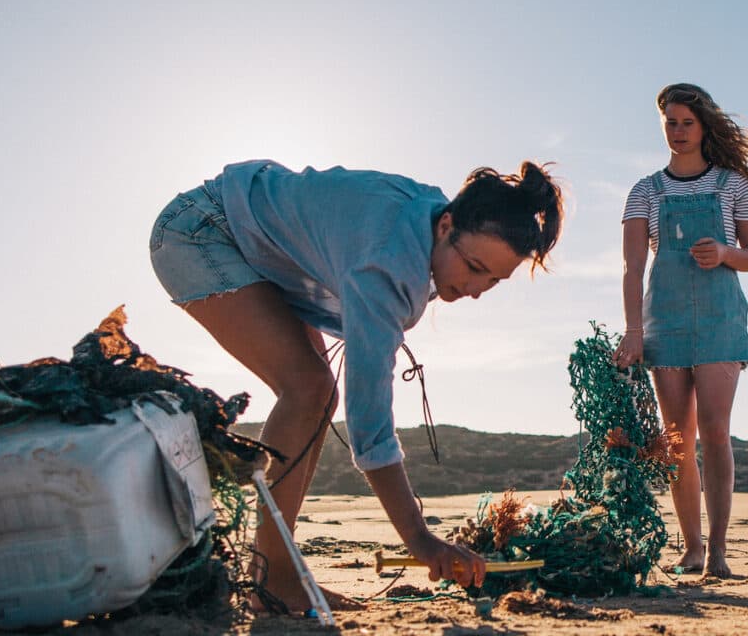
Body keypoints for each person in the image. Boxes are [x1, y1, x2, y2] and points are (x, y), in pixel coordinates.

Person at [149, 159, 563, 613]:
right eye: (473, 266)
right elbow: (370, 425)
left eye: (494, 280)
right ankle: (275, 580)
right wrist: (420, 540)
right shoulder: (385, 268)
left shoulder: (428, 218)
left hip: (260, 242)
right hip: (201, 229)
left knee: (317, 393)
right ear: (446, 225)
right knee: (307, 389)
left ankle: (276, 572)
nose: (477, 288)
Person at [612, 83, 748, 578]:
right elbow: (633, 268)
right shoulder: (645, 191)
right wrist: (633, 331)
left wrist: (724, 254)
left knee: (715, 432)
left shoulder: (733, 185)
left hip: (721, 319)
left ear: (703, 127)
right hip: (667, 321)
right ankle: (692, 548)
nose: (678, 132)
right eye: (670, 123)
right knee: (678, 439)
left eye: (686, 123)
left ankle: (719, 551)